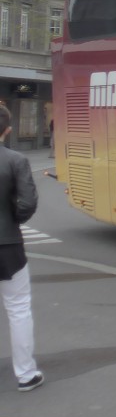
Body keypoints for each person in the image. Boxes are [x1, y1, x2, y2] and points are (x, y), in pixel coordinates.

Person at [0, 105, 42, 392]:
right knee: (18, 309)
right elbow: (28, 203)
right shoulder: (16, 160)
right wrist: (13, 221)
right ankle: (25, 374)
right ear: (8, 130)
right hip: (8, 246)